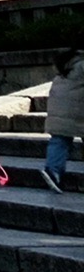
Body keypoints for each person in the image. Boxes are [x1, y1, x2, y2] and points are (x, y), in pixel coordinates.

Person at [44, 47, 82, 194]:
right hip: (75, 110)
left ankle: (52, 170)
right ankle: (53, 171)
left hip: (59, 108)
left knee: (59, 140)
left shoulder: (68, 62)